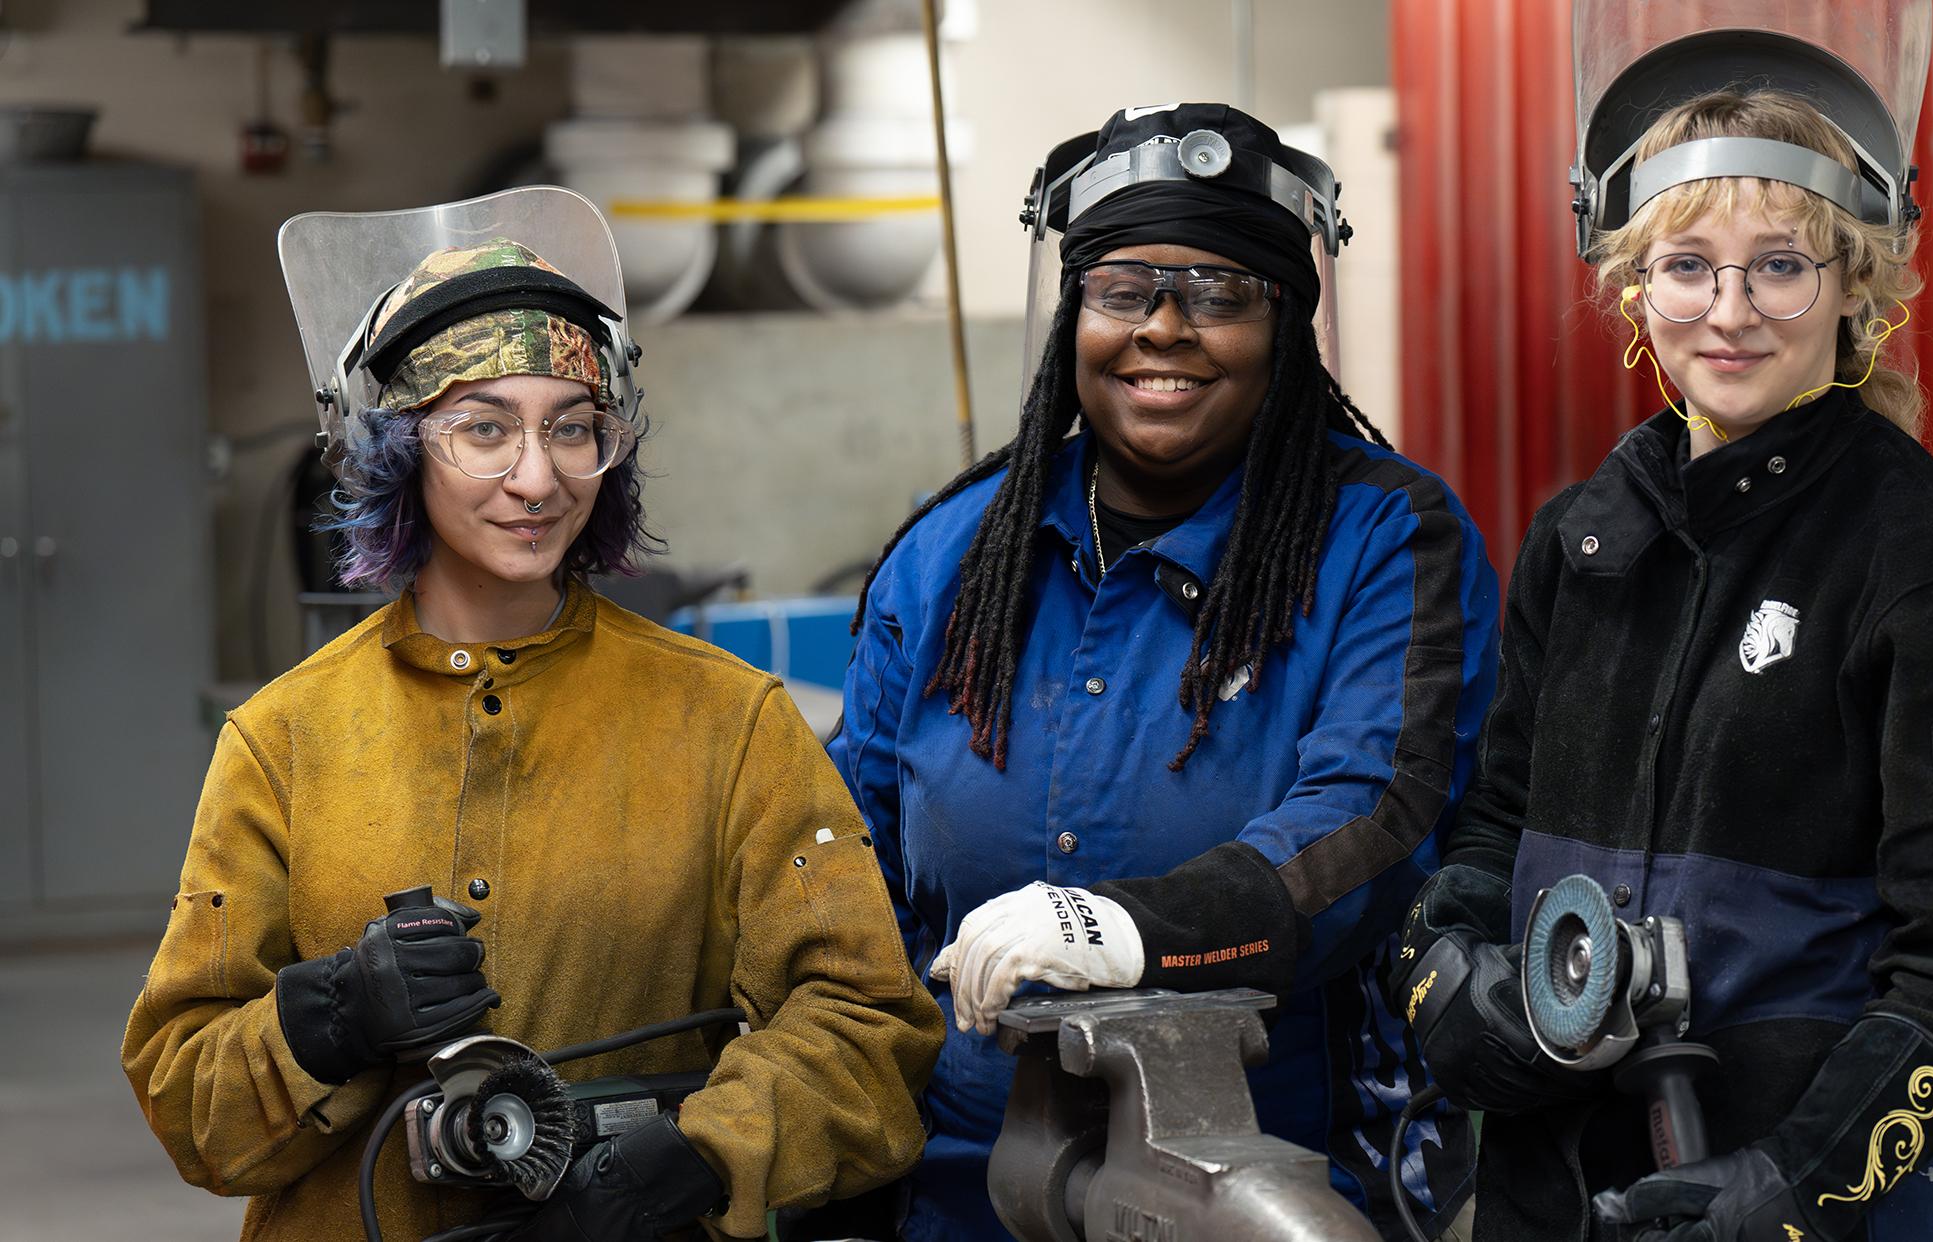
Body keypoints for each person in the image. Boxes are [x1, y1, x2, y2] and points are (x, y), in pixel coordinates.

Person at [121, 193, 945, 1241]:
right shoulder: (287, 740)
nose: (537, 477)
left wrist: (696, 1157)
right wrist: (330, 1018)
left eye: (573, 429)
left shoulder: (727, 722)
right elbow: (190, 1109)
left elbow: (870, 1022)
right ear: (398, 449)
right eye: (482, 428)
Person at [1394, 78, 1933, 1242]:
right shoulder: (1583, 537)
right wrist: (1451, 968)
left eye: (1780, 266)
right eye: (1689, 265)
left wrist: (1798, 1183)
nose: (1730, 310)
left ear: (1855, 283)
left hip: (1806, 1189)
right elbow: (1496, 820)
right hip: (1552, 1174)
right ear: (1634, 287)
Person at [833, 104, 1498, 1240]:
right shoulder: (952, 552)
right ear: (1074, 313)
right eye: (1125, 289)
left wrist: (1131, 930)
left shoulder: (1384, 535)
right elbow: (849, 850)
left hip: (1268, 1180)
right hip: (960, 1186)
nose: (1166, 328)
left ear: (1286, 324)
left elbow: (1376, 815)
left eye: (1222, 293)